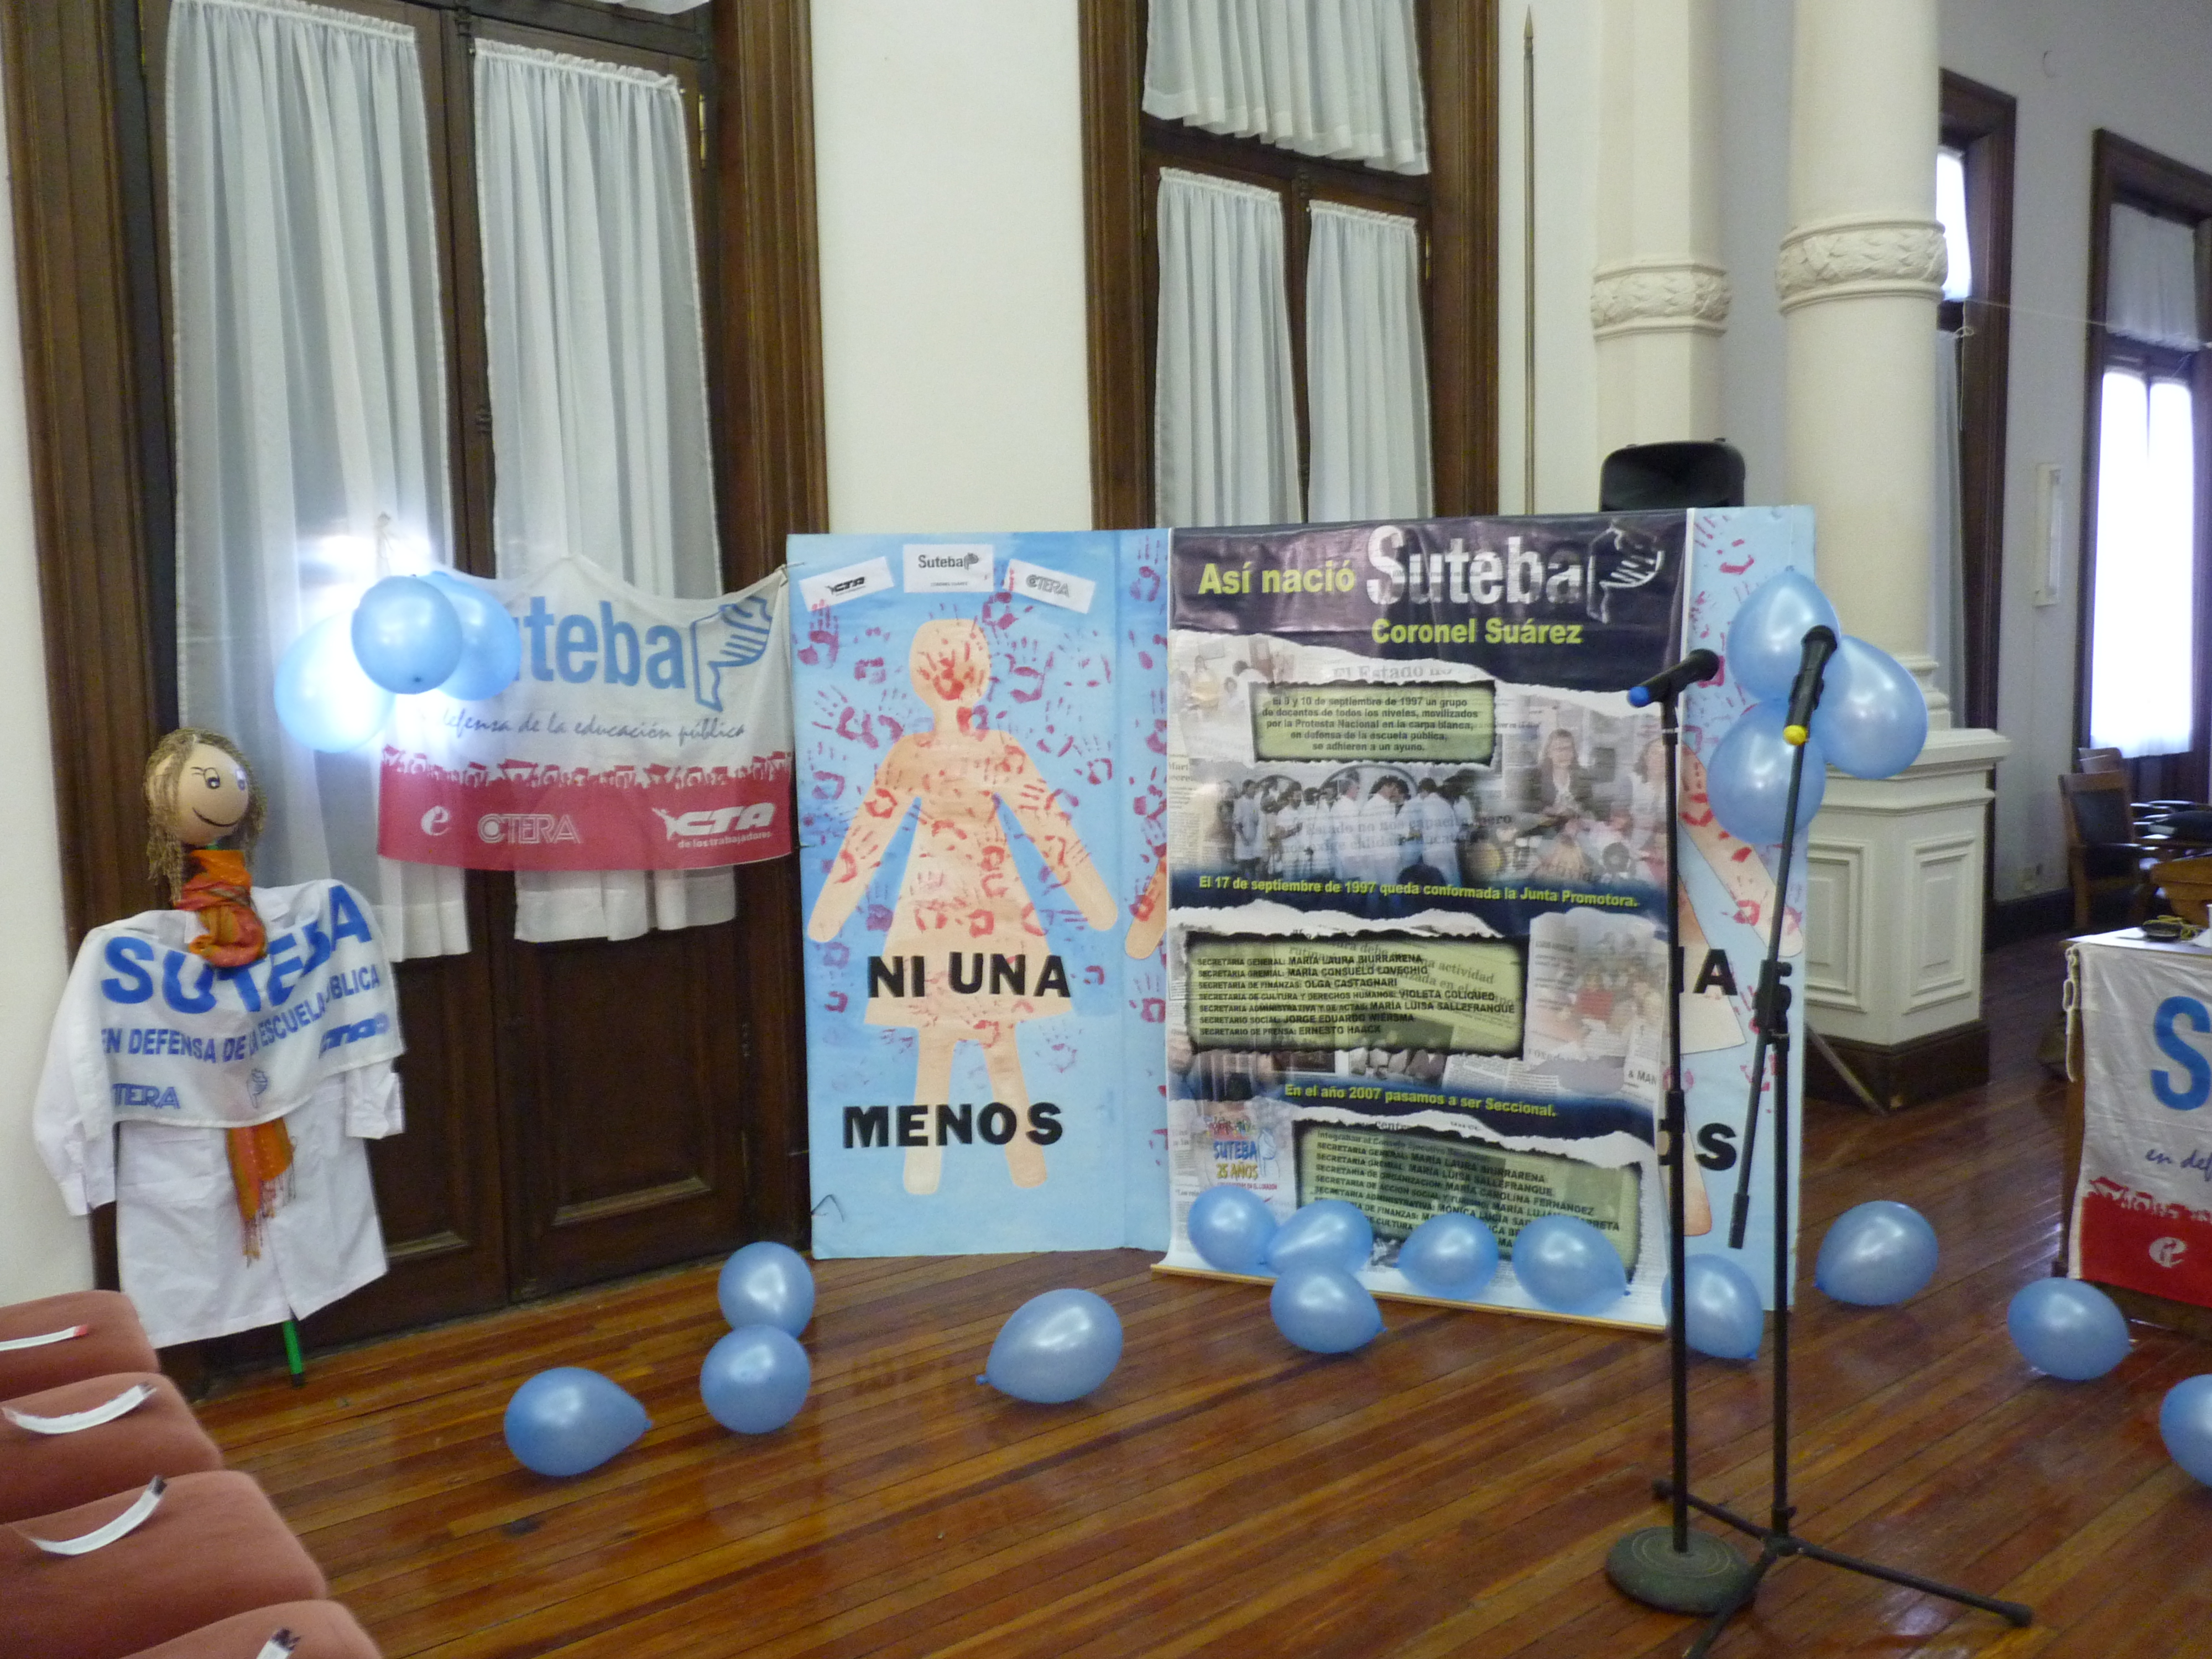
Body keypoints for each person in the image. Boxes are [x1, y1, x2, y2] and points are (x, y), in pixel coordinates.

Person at [807, 619, 1118, 1195]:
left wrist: (827, 919)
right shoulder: (999, 750)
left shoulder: (911, 753)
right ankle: (1027, 1167)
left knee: (936, 1039)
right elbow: (1052, 831)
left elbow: (864, 844)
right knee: (1000, 1039)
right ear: (984, 678)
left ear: (918, 680)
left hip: (930, 913)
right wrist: (1098, 906)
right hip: (994, 910)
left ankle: (924, 1172)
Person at [1410, 778, 1460, 885]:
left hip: (1435, 850)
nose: (1420, 797)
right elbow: (1456, 829)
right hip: (1449, 848)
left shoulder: (1427, 804)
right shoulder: (1445, 803)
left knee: (1438, 882)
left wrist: (1420, 833)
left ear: (1424, 791)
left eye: (1420, 793)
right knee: (1453, 880)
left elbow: (1431, 830)